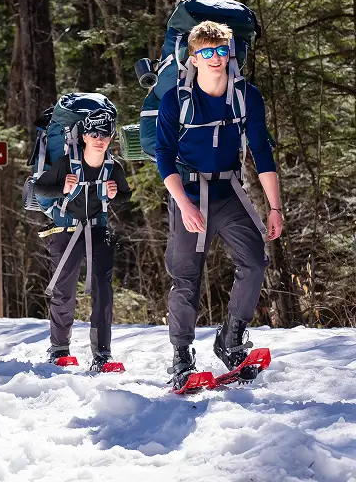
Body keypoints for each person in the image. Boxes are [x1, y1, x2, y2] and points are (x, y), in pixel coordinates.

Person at [155, 21, 283, 390]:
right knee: (186, 277)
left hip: (229, 190)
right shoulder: (175, 100)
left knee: (255, 261)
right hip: (189, 194)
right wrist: (184, 206)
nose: (215, 58)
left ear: (230, 53)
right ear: (193, 58)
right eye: (206, 52)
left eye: (221, 50)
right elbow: (164, 155)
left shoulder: (246, 96)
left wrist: (274, 208)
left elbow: (261, 151)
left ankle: (231, 338)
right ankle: (182, 355)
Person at [34, 111, 132, 371]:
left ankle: (102, 354)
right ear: (85, 136)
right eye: (94, 134)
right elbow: (40, 189)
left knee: (103, 291)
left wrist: (114, 194)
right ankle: (59, 350)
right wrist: (62, 190)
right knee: (64, 291)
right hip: (66, 231)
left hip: (98, 230)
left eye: (105, 135)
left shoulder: (114, 167)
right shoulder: (67, 164)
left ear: (111, 138)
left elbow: (125, 196)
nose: (100, 140)